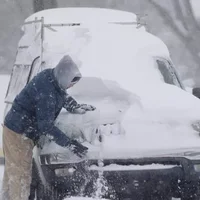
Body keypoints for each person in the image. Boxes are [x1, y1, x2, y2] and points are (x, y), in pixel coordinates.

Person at [1, 55, 95, 200]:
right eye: (71, 82)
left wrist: (74, 106)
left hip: (15, 128)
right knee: (20, 177)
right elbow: (45, 126)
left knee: (12, 175)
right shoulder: (47, 92)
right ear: (63, 76)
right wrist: (70, 144)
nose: (71, 86)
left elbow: (61, 94)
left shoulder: (51, 77)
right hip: (18, 134)